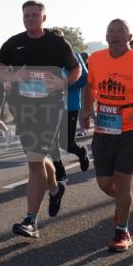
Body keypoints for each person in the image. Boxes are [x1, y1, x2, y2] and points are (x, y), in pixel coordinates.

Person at [0, 1, 81, 238]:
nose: (30, 19)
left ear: (44, 18)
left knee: (34, 161)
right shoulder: (15, 42)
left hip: (50, 109)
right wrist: (12, 75)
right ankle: (55, 188)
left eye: (35, 15)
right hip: (23, 110)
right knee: (37, 159)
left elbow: (76, 70)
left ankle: (31, 220)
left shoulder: (57, 43)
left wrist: (63, 82)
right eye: (26, 15)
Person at [83, 19, 133, 250]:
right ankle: (124, 202)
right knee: (105, 183)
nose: (115, 35)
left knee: (122, 180)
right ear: (106, 36)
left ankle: (122, 231)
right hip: (105, 127)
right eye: (111, 31)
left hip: (132, 129)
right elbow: (90, 86)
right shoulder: (96, 59)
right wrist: (87, 108)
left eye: (120, 31)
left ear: (129, 37)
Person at [49, 30, 90, 183]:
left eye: (58, 39)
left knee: (66, 143)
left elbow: (83, 80)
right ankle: (60, 171)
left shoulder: (73, 55)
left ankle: (81, 152)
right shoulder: (46, 58)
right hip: (50, 106)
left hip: (70, 105)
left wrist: (64, 83)